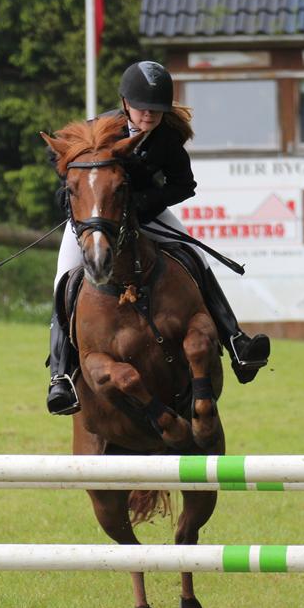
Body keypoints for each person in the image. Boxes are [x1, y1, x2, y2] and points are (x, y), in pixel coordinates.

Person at [46, 60, 271, 415]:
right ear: (124, 103)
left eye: (157, 109)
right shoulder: (101, 129)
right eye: (143, 108)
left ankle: (235, 339)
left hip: (146, 213)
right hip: (98, 219)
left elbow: (185, 185)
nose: (150, 115)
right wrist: (69, 193)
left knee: (195, 256)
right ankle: (61, 376)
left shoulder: (166, 137)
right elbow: (57, 155)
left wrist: (143, 202)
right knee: (64, 280)